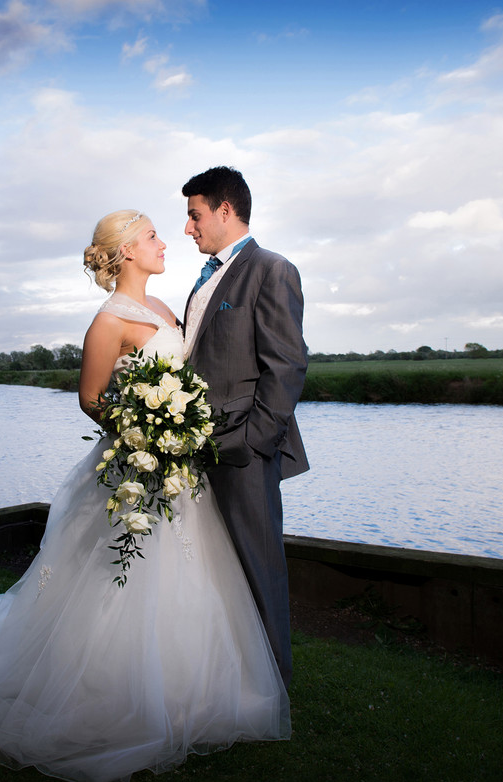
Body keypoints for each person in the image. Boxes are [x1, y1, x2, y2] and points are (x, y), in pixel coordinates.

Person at [0, 210, 290, 782]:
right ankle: (106, 695)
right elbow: (90, 398)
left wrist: (176, 428)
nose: (167, 242)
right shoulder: (109, 319)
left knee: (194, 578)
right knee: (121, 580)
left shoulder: (167, 308)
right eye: (155, 236)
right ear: (129, 250)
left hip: (180, 472)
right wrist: (145, 430)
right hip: (138, 463)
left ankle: (194, 692)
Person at [181, 166, 309, 689]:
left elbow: (286, 365)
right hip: (195, 449)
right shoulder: (206, 277)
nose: (188, 228)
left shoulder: (272, 269)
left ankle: (273, 685)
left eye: (195, 215)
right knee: (213, 571)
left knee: (259, 569)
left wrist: (253, 444)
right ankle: (223, 677)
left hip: (244, 451)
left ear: (225, 210)